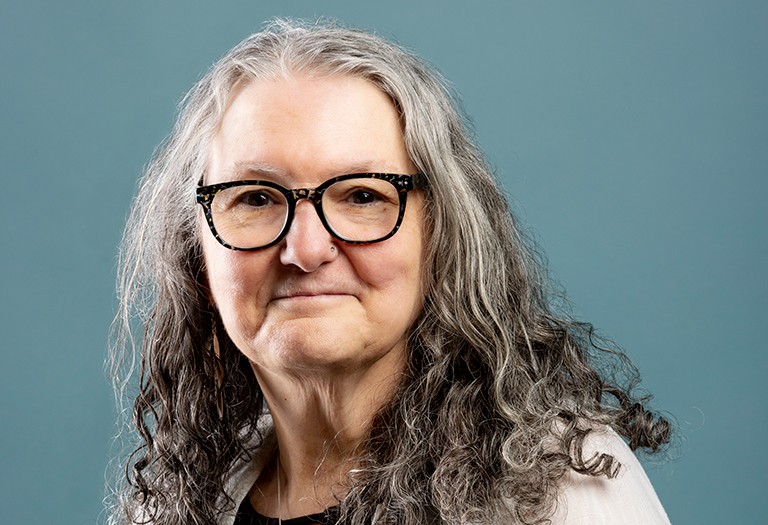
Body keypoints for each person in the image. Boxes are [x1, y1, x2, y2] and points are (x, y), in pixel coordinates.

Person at [108, 19, 672, 525]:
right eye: (255, 198)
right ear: (195, 247)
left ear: (441, 235)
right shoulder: (169, 509)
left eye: (361, 195)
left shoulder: (559, 491)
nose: (304, 250)